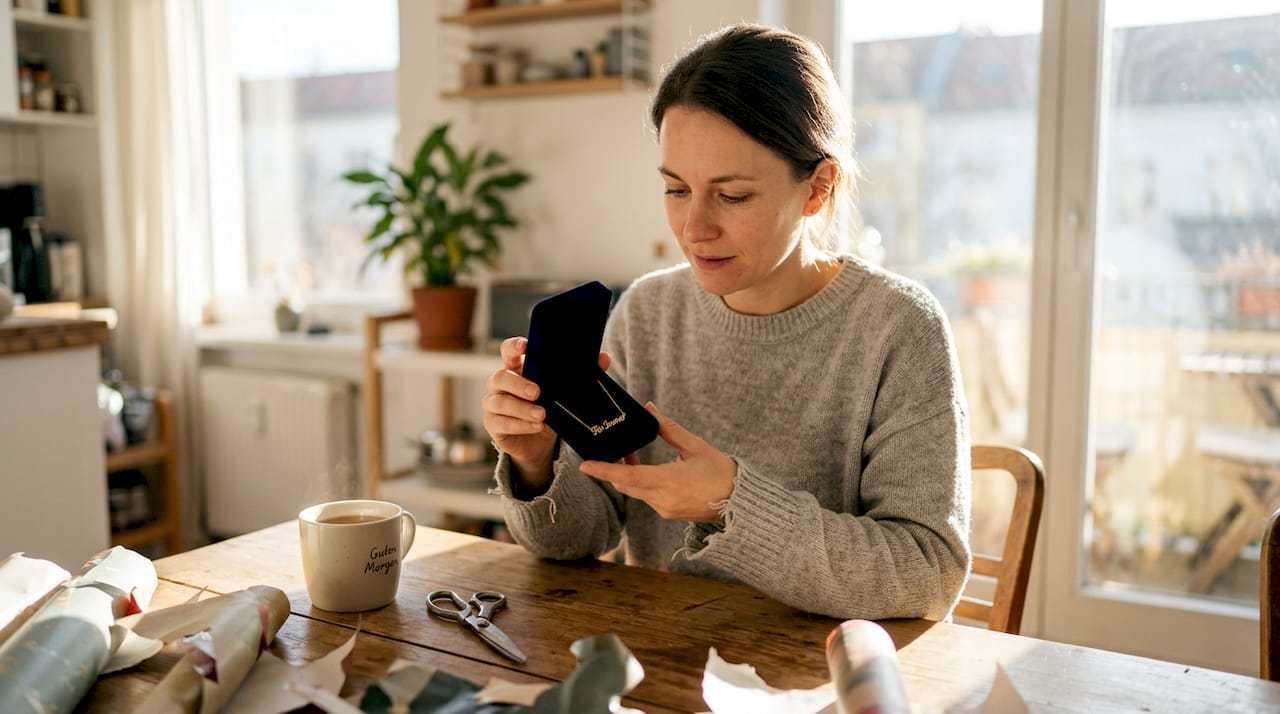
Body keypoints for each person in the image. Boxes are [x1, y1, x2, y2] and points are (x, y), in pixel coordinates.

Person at [482, 23, 971, 621]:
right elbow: (577, 541)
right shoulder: (647, 312)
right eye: (676, 189)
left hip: (820, 677)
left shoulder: (897, 328)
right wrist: (536, 463)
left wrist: (731, 501)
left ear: (817, 188)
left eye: (732, 196)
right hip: (662, 666)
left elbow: (927, 573)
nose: (694, 228)